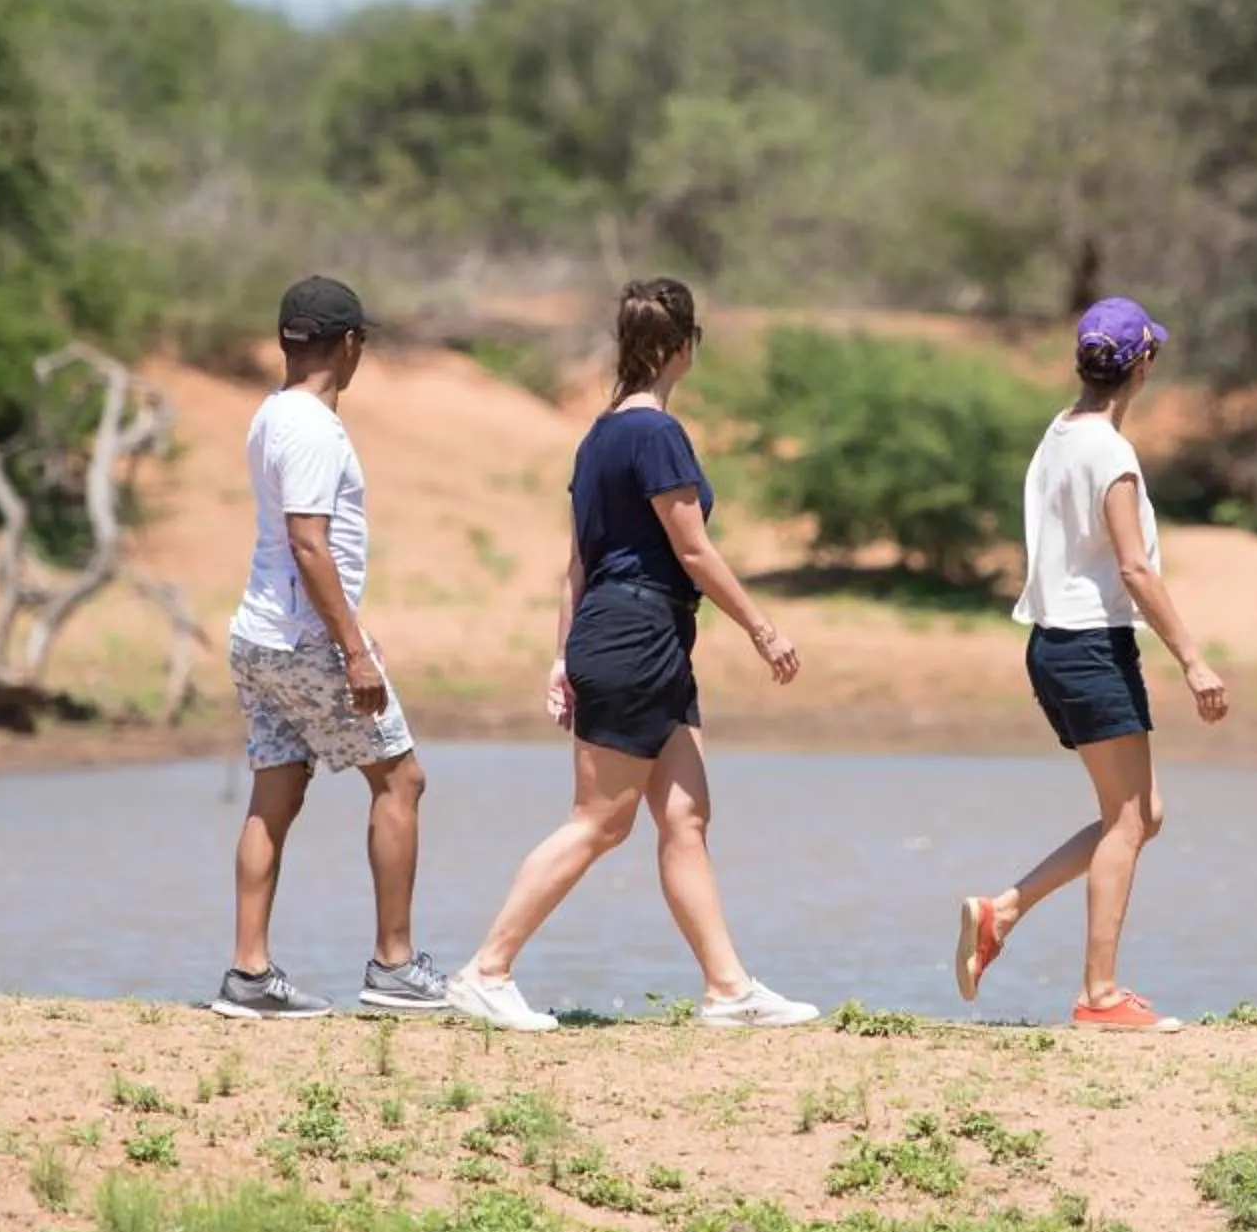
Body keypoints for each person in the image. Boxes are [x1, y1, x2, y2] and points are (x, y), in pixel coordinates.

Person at [443, 278, 818, 1033]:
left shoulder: (599, 436)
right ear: (686, 347)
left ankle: (728, 988)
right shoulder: (655, 436)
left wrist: (559, 657)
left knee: (684, 817)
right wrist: (762, 628)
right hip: (636, 635)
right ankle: (486, 970)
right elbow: (694, 550)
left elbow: (578, 562)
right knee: (599, 821)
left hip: (642, 637)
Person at [951, 297, 1229, 1032]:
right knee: (1131, 821)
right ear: (1142, 365)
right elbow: (1135, 569)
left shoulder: (1058, 433)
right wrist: (1194, 661)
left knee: (1139, 815)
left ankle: (1002, 912)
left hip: (1050, 644)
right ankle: (1100, 997)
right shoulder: (1111, 454)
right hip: (1091, 647)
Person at [211, 277, 444, 1020]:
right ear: (349, 345)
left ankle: (249, 971)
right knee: (401, 780)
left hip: (258, 634)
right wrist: (354, 649)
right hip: (306, 638)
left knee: (276, 790)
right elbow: (310, 544)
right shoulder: (312, 427)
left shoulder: (270, 415)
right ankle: (395, 964)